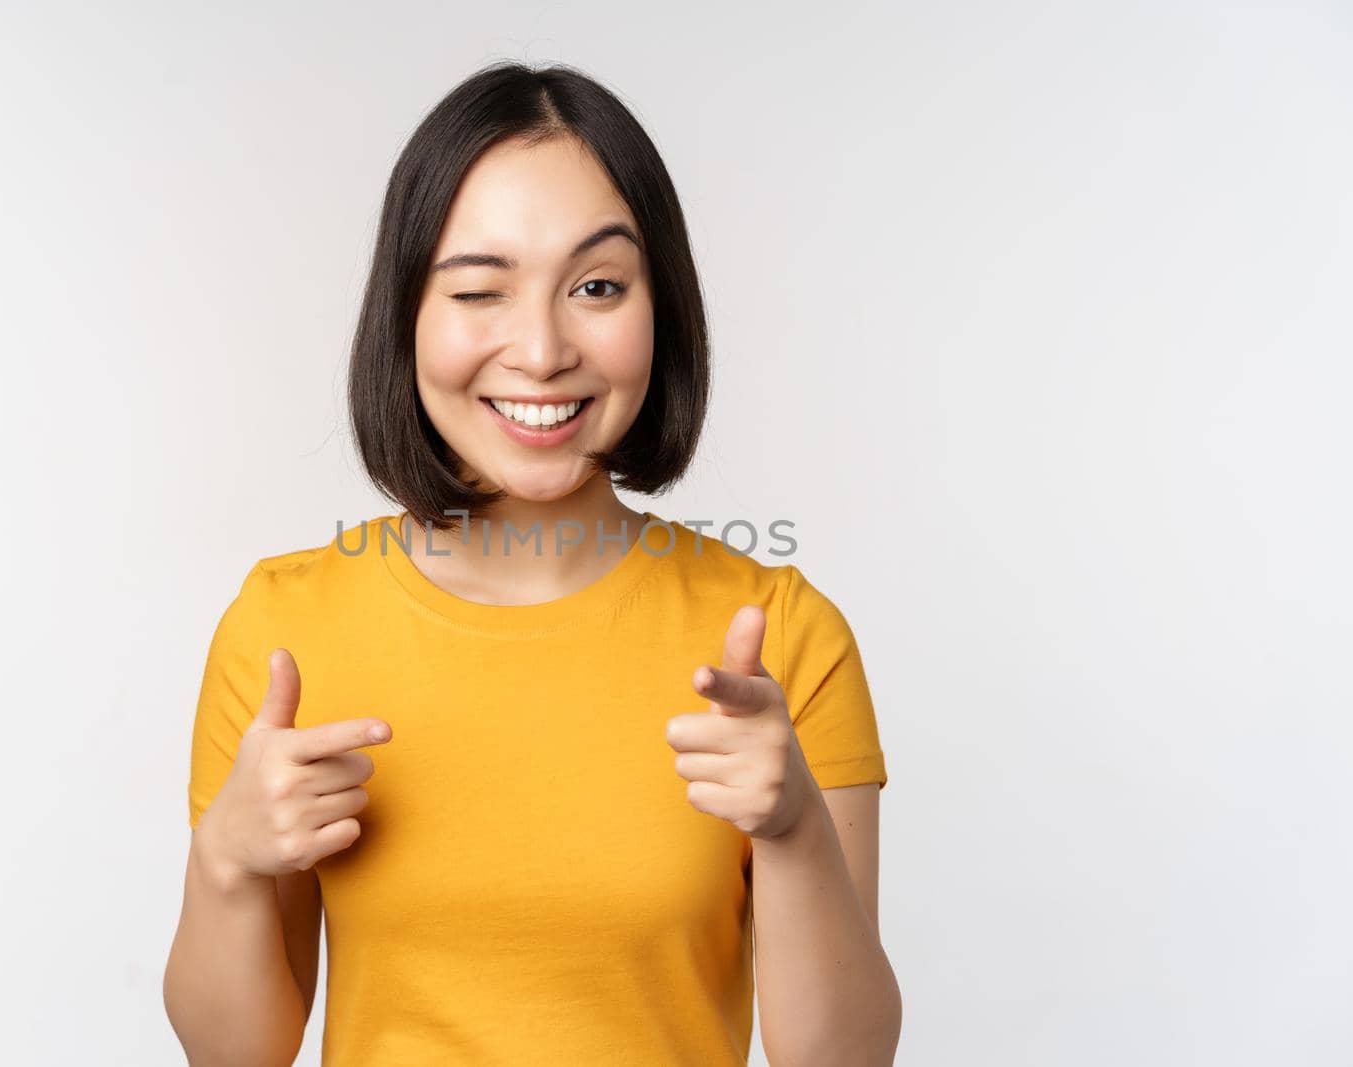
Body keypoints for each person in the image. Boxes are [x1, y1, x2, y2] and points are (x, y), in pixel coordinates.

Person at [163, 61, 901, 1066]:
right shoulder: (285, 629)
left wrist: (795, 827)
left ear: (661, 309)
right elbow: (234, 1053)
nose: (543, 348)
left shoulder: (781, 637)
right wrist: (229, 860)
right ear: (407, 317)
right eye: (480, 289)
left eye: (597, 286)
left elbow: (841, 1058)